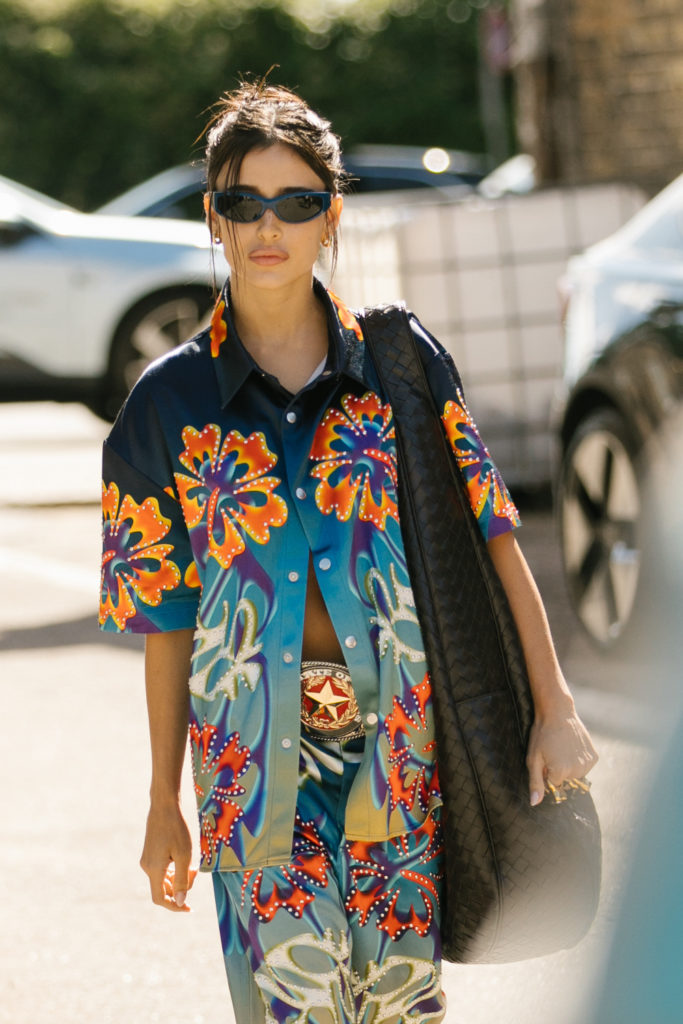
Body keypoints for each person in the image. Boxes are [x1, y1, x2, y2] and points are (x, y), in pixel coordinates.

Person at [99, 80, 598, 1023]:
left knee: (400, 1010)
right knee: (296, 1011)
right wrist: (164, 800)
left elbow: (492, 536)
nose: (269, 225)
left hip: (397, 757)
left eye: (296, 202)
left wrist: (554, 708)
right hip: (250, 771)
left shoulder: (398, 368)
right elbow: (166, 620)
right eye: (244, 203)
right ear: (214, 216)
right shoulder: (162, 408)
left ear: (331, 216)